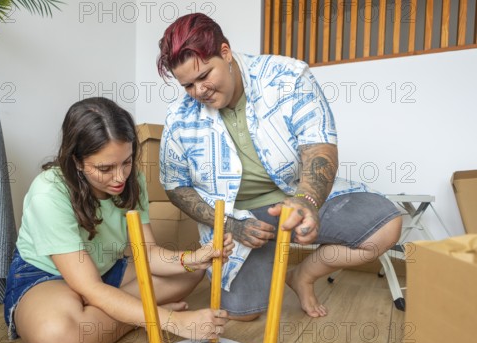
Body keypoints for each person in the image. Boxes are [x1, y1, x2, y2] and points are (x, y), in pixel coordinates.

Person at [156, 13, 402, 319]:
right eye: (188, 85)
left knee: (386, 228)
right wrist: (232, 227)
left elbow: (319, 146)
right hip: (241, 219)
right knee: (243, 314)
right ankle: (265, 263)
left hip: (296, 197)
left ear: (225, 52)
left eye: (205, 76)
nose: (199, 91)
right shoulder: (179, 116)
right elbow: (175, 186)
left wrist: (306, 201)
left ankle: (303, 275)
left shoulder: (287, 76)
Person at [3, 97, 234, 343]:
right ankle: (138, 316)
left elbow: (148, 256)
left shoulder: (131, 180)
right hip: (48, 277)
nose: (120, 177)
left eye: (126, 162)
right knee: (59, 338)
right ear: (76, 161)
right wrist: (171, 321)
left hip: (105, 270)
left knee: (192, 273)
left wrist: (191, 260)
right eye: (105, 168)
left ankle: (116, 314)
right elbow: (88, 286)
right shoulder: (48, 193)